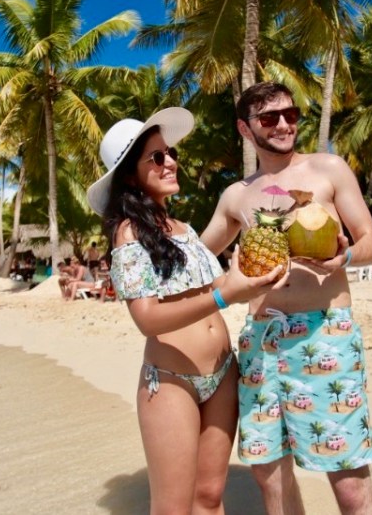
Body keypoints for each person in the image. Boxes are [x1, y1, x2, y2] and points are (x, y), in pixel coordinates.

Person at [86, 107, 289, 513]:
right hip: (172, 381)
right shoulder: (128, 232)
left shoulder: (185, 230)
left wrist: (250, 278)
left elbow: (212, 285)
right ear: (130, 175)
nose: (170, 162)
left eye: (170, 153)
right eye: (156, 157)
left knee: (210, 497)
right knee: (173, 507)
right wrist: (225, 296)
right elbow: (146, 318)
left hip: (222, 373)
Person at [201, 82, 372, 515]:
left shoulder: (329, 169)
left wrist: (346, 256)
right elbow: (196, 251)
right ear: (246, 129)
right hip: (261, 342)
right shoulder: (236, 196)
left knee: (349, 481)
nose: (284, 124)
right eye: (269, 118)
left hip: (325, 335)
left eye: (291, 114)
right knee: (271, 479)